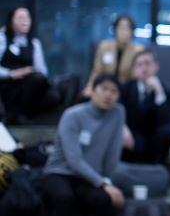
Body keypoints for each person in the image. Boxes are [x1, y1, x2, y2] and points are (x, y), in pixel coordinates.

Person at [41, 74, 125, 216]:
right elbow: (74, 160)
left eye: (114, 91)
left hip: (88, 178)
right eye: (104, 89)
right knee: (64, 197)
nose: (108, 95)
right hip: (59, 173)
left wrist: (108, 183)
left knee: (102, 198)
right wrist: (104, 183)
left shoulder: (118, 113)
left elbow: (113, 155)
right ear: (92, 91)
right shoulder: (72, 115)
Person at [0, 6, 60, 125]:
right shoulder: (2, 39)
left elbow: (42, 70)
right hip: (8, 85)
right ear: (11, 20)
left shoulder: (34, 43)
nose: (25, 21)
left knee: (54, 95)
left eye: (27, 17)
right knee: (36, 78)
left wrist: (28, 72)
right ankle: (15, 115)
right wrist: (11, 74)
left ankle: (18, 114)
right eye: (20, 18)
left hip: (28, 86)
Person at [120, 49, 170, 164]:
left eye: (147, 63)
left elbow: (165, 121)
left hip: (152, 139)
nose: (144, 68)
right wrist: (123, 128)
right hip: (131, 136)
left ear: (156, 66)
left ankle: (157, 170)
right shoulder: (126, 88)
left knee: (166, 131)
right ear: (134, 69)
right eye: (139, 65)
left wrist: (159, 92)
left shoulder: (166, 89)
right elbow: (119, 111)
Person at [82, 15, 144, 98]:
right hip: (105, 88)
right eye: (122, 28)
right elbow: (97, 71)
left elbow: (136, 76)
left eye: (128, 28)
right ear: (115, 29)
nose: (125, 32)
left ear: (132, 32)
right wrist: (90, 86)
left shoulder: (138, 51)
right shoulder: (105, 47)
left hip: (126, 92)